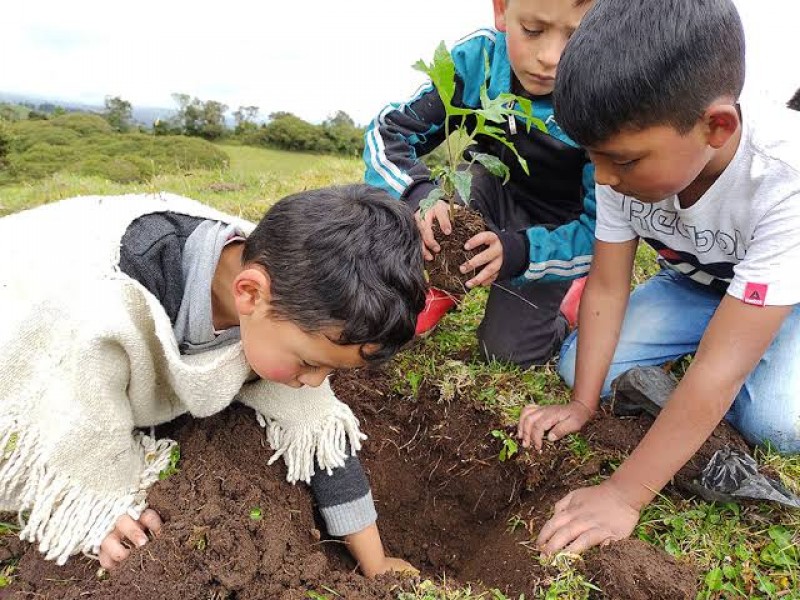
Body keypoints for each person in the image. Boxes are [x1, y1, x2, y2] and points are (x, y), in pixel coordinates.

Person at [0, 185, 427, 576]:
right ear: (249, 294)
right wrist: (103, 508)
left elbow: (320, 434)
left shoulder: (292, 296)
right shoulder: (108, 310)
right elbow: (71, 418)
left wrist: (376, 562)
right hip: (28, 286)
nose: (316, 382)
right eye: (309, 364)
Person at [517, 0, 800, 554]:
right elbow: (606, 285)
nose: (602, 177)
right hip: (699, 283)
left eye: (621, 162)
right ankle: (691, 390)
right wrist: (582, 405)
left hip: (785, 298)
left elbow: (720, 365)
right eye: (594, 157)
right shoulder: (619, 162)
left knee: (778, 422)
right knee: (580, 366)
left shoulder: (783, 178)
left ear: (715, 127)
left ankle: (714, 390)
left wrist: (624, 494)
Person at [364, 0, 596, 367]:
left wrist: (521, 253)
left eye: (579, 38)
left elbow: (602, 230)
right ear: (502, 9)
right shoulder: (481, 59)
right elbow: (388, 131)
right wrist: (418, 197)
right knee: (456, 192)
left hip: (552, 234)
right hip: (487, 189)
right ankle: (441, 284)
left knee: (506, 353)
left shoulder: (607, 97)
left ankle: (567, 307)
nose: (550, 58)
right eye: (533, 30)